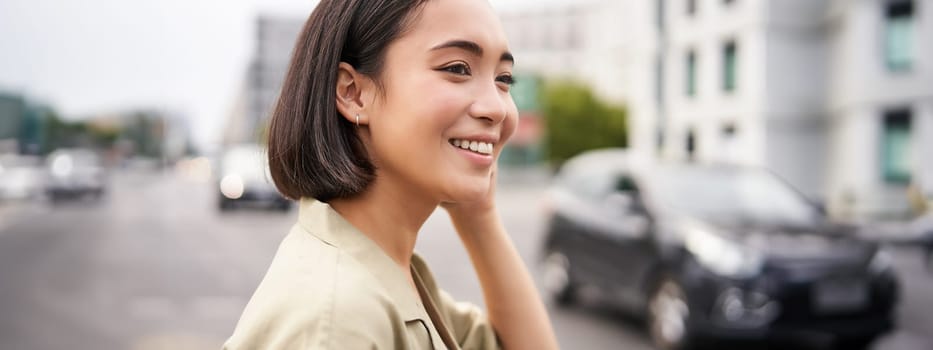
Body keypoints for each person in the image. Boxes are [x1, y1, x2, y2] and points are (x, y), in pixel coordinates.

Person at [223, 0, 559, 349]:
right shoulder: (339, 318)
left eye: (504, 79)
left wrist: (480, 218)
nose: (496, 108)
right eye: (458, 68)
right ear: (352, 93)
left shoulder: (388, 271)